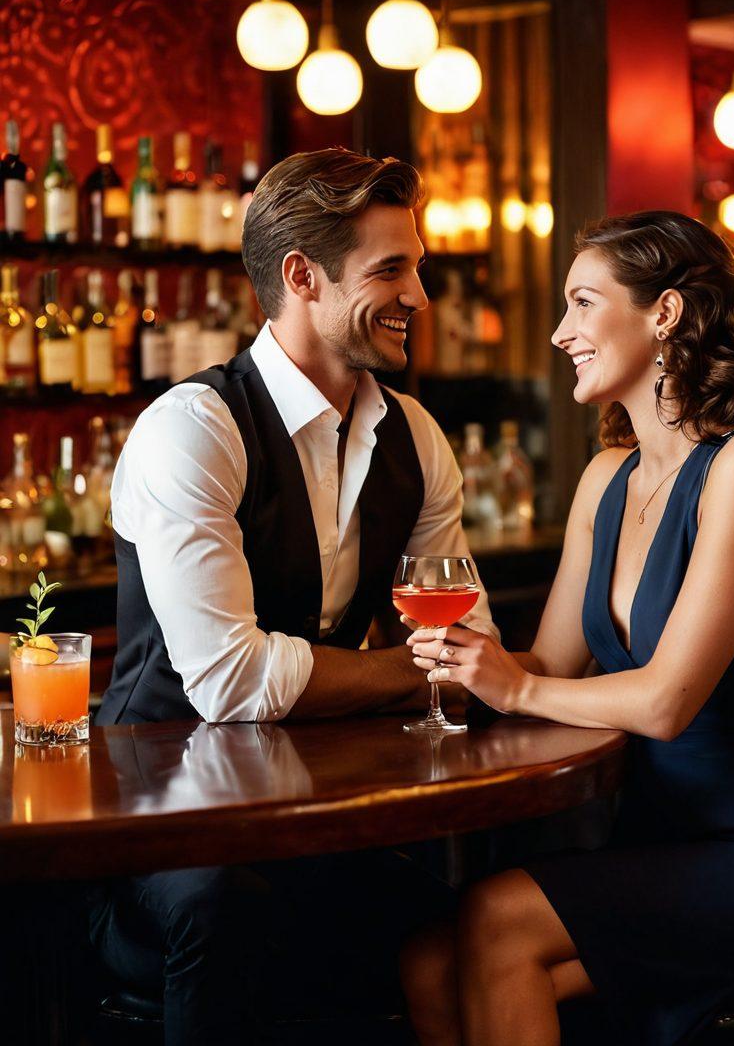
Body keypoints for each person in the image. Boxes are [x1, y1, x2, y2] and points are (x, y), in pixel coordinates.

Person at [400, 211, 734, 1046]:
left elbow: (664, 704)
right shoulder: (605, 477)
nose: (558, 332)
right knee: (431, 963)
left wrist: (519, 684)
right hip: (660, 844)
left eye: (582, 303)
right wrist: (462, 666)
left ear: (666, 314)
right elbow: (545, 660)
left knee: (498, 920)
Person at [90, 148, 497, 1046]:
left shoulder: (416, 436)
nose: (419, 297)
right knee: (225, 906)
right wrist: (405, 669)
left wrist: (433, 666)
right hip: (159, 827)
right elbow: (231, 683)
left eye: (416, 267)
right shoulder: (192, 430)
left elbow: (471, 648)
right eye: (391, 270)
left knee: (465, 910)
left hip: (312, 805)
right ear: (302, 277)